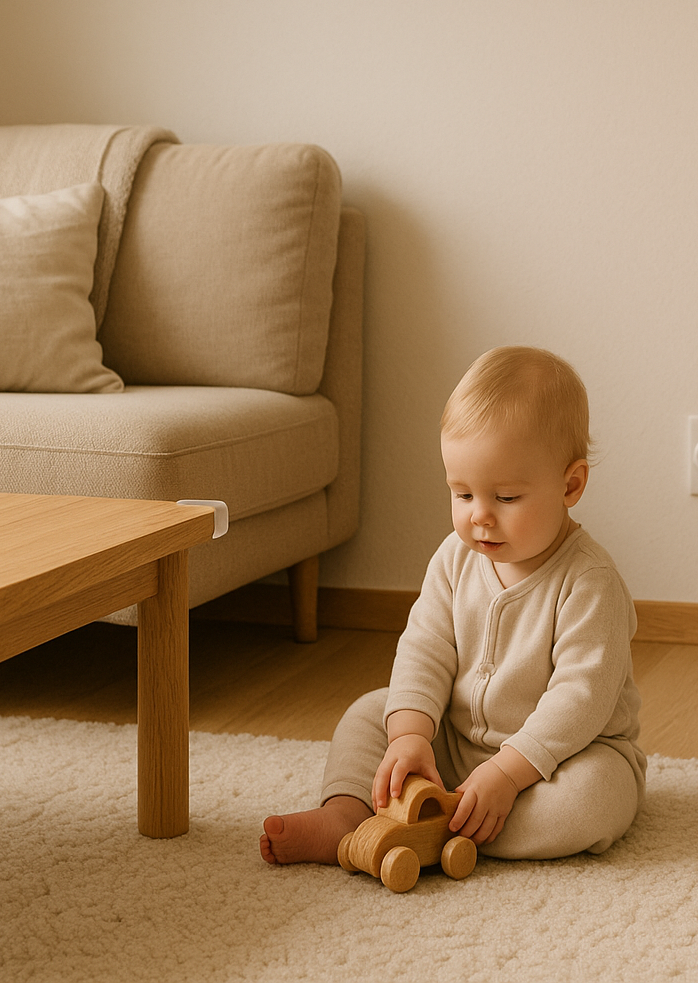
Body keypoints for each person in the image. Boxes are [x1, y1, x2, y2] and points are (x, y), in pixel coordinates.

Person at [259, 345, 644, 864]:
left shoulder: (590, 582)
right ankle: (349, 817)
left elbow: (580, 699)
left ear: (570, 485)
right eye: (462, 494)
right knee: (371, 712)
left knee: (594, 797)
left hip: (563, 757)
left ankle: (436, 833)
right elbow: (425, 646)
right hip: (455, 747)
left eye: (505, 498)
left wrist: (509, 771)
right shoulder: (454, 558)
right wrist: (411, 735)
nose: (479, 517)